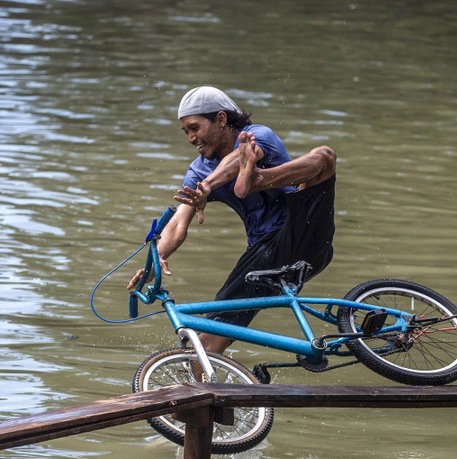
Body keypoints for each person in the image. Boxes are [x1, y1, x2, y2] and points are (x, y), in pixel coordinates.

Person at [128, 86, 337, 356]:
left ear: (222, 119)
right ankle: (209, 391)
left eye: (195, 128)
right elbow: (179, 222)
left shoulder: (257, 135)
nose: (191, 138)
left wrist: (208, 186)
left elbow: (236, 161)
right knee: (206, 343)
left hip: (305, 232)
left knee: (325, 156)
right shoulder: (198, 170)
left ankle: (258, 180)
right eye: (186, 133)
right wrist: (155, 261)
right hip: (266, 256)